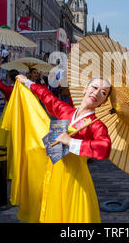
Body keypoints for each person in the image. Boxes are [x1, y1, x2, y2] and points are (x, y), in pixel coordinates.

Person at [14, 74, 112, 222]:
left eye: (103, 93)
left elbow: (105, 147)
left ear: (103, 102)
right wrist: (27, 82)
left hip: (75, 178)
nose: (97, 93)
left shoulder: (96, 124)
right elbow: (48, 97)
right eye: (94, 87)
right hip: (54, 171)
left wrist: (70, 142)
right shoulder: (66, 111)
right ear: (85, 89)